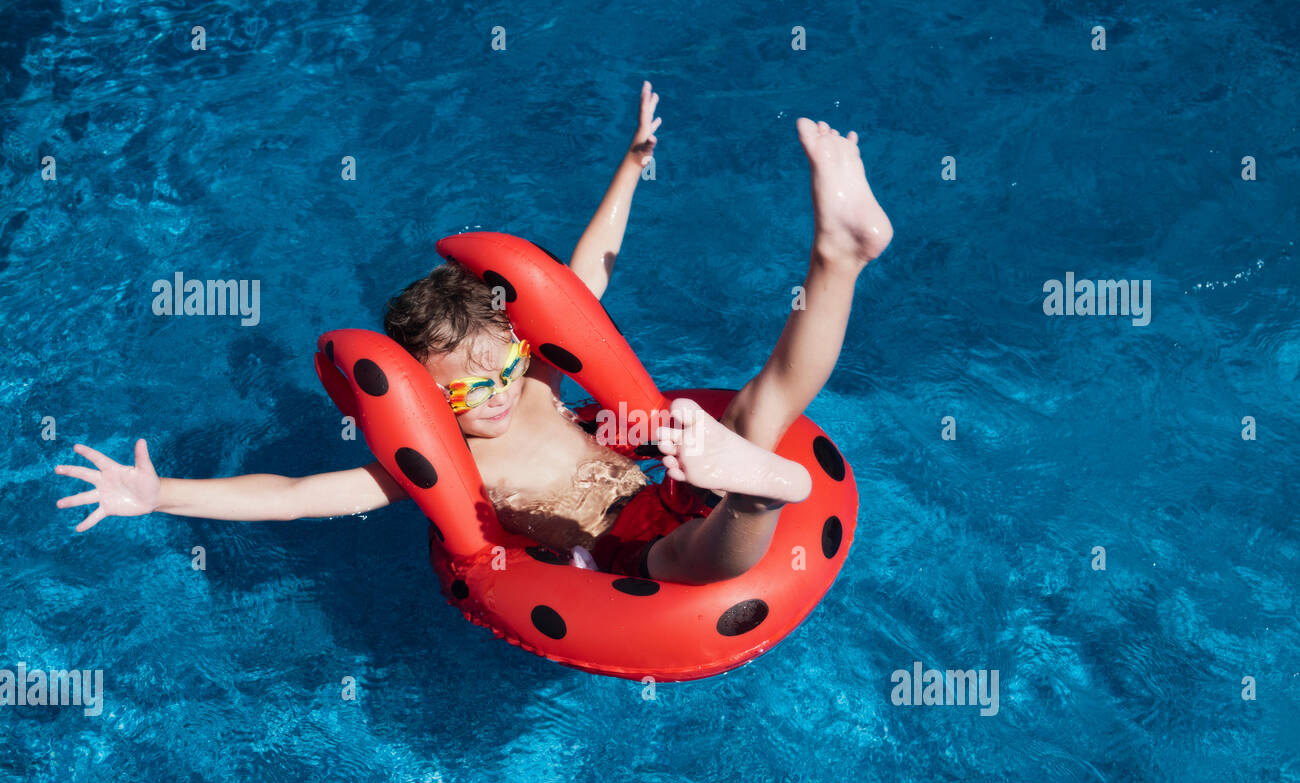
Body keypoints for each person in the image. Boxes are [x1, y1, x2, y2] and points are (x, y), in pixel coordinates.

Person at [54, 81, 892, 585]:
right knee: (687, 557)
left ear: (520, 350)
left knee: (760, 401)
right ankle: (754, 486)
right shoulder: (431, 462)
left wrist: (632, 166)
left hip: (654, 493)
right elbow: (295, 494)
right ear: (424, 394)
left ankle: (837, 257)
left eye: (503, 372)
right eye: (462, 390)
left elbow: (583, 278)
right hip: (632, 539)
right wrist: (162, 494)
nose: (492, 401)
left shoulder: (537, 382)